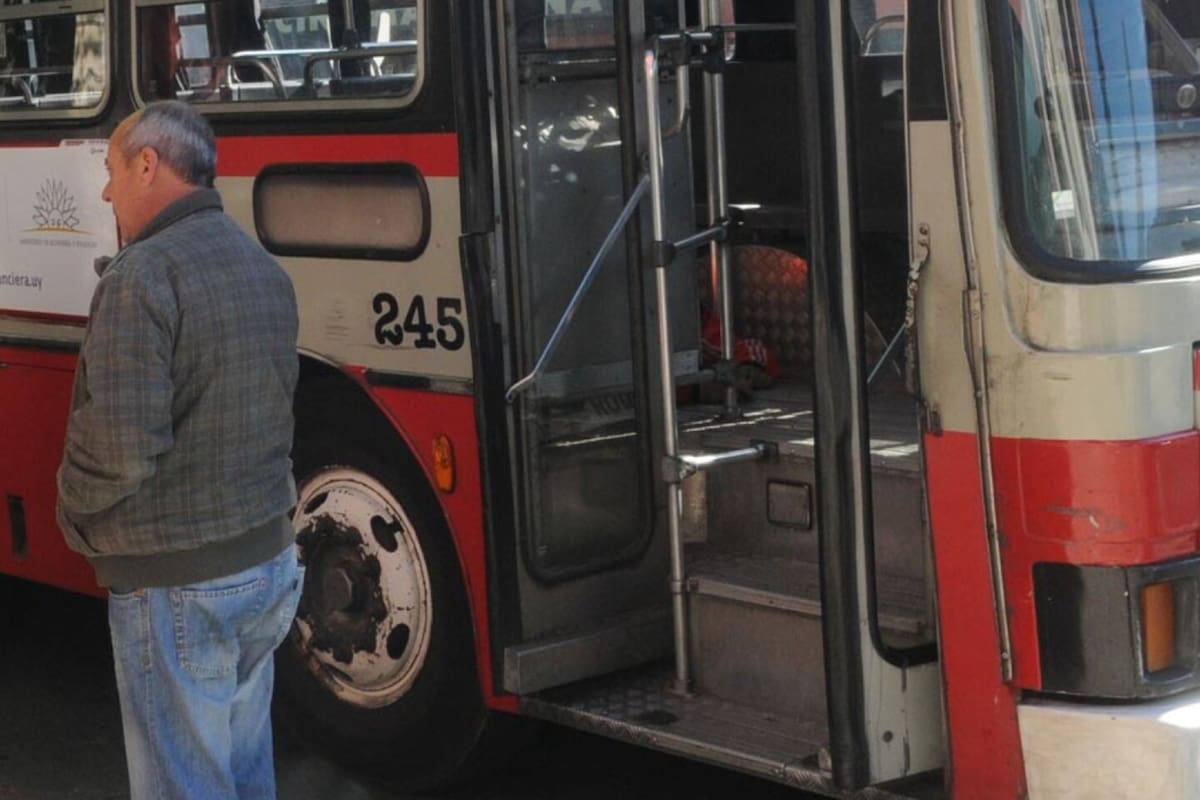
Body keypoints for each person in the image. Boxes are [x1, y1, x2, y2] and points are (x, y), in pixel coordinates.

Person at [56, 100, 303, 800]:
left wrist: (71, 512)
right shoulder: (260, 264)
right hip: (266, 565)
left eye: (110, 170)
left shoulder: (141, 276)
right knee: (245, 770)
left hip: (178, 582)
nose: (105, 191)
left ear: (147, 164)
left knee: (183, 786)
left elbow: (120, 448)